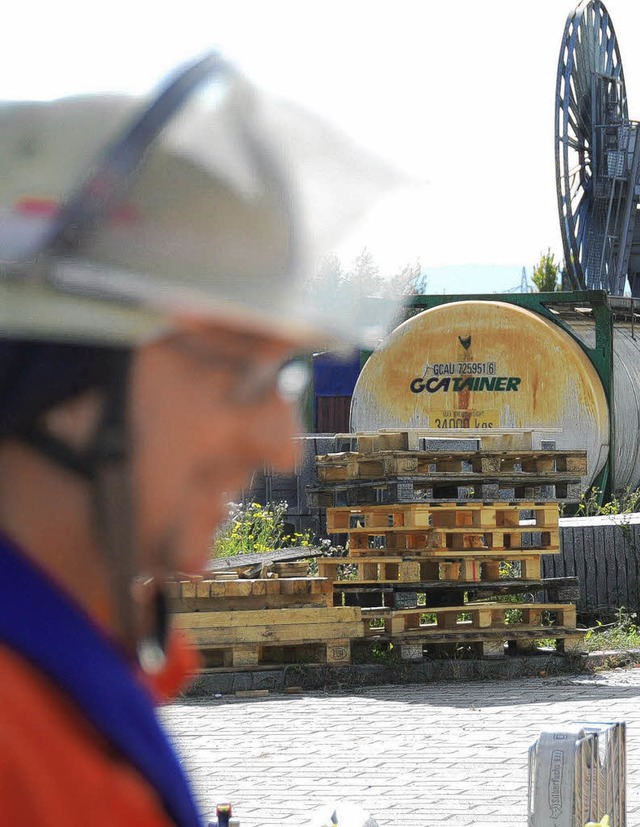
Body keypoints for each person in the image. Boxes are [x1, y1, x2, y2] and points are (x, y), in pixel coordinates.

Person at [0, 54, 398, 825]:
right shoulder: (20, 751)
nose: (282, 445)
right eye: (237, 375)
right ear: (67, 387)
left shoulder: (70, 690)